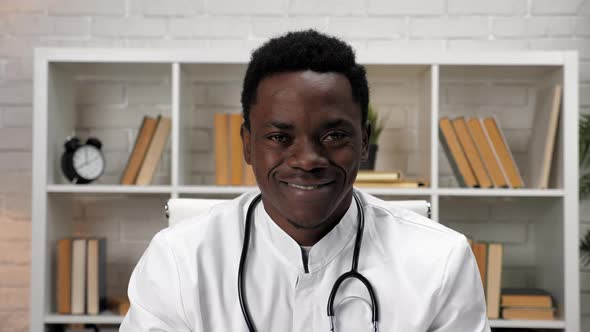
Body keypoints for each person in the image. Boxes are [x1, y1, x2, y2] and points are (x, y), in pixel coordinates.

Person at [120, 30, 490, 331]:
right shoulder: (178, 260)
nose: (308, 160)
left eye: (333, 136)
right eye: (280, 137)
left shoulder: (441, 260)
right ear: (248, 145)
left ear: (364, 143)